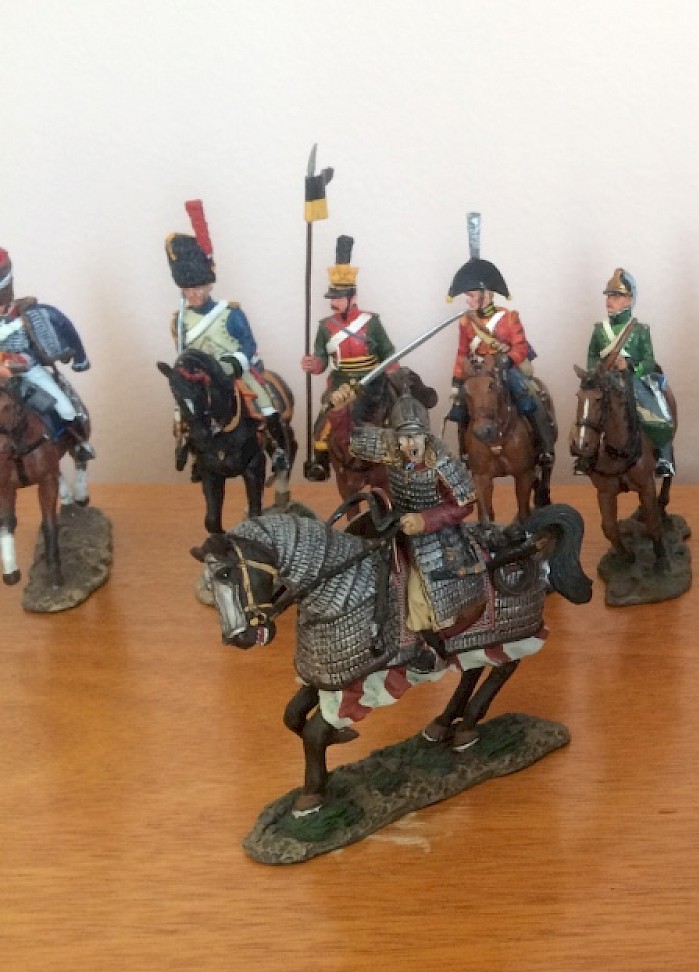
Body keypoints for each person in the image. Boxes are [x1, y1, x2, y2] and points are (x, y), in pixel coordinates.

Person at [351, 392, 483, 673]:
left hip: (436, 536)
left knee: (419, 595)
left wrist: (426, 520)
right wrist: (341, 409)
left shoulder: (441, 461)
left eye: (415, 437)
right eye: (403, 438)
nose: (409, 444)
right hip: (394, 522)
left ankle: (424, 646)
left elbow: (465, 502)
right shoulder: (390, 446)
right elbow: (351, 438)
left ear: (426, 435)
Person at [166, 199, 292, 471]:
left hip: (234, 371)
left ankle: (277, 449)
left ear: (209, 285)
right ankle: (189, 449)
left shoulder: (230, 313)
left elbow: (248, 343)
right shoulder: (180, 320)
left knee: (265, 403)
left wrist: (236, 362)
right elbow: (183, 352)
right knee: (184, 410)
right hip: (200, 377)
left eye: (199, 287)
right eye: (189, 289)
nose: (194, 293)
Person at [444, 213, 556, 461]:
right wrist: (456, 380)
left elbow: (520, 348)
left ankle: (544, 447)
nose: (468, 301)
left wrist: (506, 360)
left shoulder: (509, 318)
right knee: (460, 407)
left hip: (506, 369)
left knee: (528, 397)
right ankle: (465, 452)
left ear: (486, 295)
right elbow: (462, 353)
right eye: (468, 296)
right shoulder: (466, 322)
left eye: (472, 296)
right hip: (478, 371)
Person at [299, 235, 396, 482]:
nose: (333, 302)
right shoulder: (325, 327)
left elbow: (387, 352)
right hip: (340, 383)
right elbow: (322, 357)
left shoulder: (371, 322)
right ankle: (321, 463)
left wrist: (393, 372)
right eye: (332, 298)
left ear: (352, 298)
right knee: (323, 424)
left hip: (371, 382)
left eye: (338, 298)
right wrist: (314, 364)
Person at [0, 245, 93, 459]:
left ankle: (78, 445)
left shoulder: (27, 317)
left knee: (66, 409)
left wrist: (9, 362)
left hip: (30, 372)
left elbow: (32, 352)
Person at [587, 268, 676, 476]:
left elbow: (648, 360)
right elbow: (592, 357)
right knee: (587, 411)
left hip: (633, 380)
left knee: (657, 414)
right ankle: (585, 455)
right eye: (609, 296)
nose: (610, 300)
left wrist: (630, 366)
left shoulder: (639, 330)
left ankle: (664, 458)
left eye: (616, 296)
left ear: (629, 300)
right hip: (605, 381)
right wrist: (596, 372)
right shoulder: (599, 330)